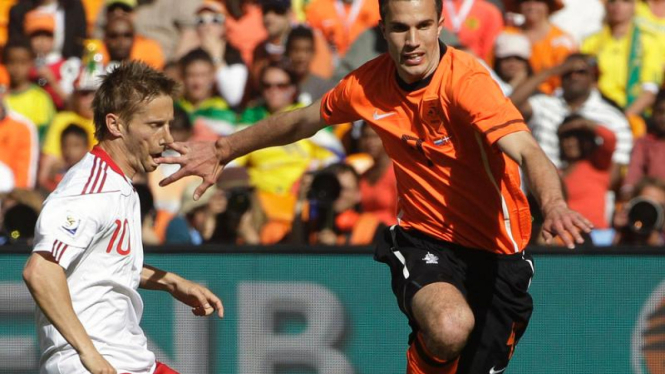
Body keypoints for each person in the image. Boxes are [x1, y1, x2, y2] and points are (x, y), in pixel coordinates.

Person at [156, 0, 592, 372]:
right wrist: (222, 149)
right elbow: (302, 120)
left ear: (441, 26)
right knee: (448, 325)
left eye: (423, 26)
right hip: (426, 237)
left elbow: (530, 152)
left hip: (499, 252)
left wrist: (552, 204)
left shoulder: (469, 85)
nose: (413, 41)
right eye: (400, 27)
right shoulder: (368, 84)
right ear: (382, 28)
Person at [22, 61, 223, 374]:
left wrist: (170, 282)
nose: (168, 138)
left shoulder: (119, 184)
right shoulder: (90, 189)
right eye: (155, 125)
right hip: (89, 365)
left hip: (130, 359)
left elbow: (99, 263)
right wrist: (90, 356)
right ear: (115, 125)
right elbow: (41, 271)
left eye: (169, 125)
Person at [557, 114, 617, 245]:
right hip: (565, 237)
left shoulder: (597, 164)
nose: (571, 143)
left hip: (597, 236)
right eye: (566, 138)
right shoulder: (556, 172)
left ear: (589, 141)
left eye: (578, 138)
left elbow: (610, 138)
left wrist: (583, 124)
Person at [504, 0, 576, 94]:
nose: (531, 6)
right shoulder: (507, 34)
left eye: (538, 1)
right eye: (526, 1)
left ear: (548, 6)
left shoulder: (562, 41)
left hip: (551, 99)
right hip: (508, 95)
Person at [622, 89, 665, 198]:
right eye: (660, 112)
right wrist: (628, 190)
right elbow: (634, 172)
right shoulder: (644, 143)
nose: (663, 118)